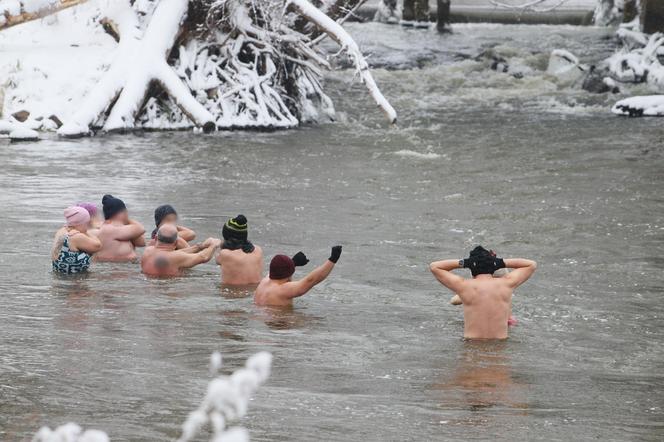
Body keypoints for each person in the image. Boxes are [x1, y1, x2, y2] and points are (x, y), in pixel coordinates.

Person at [429, 246, 537, 340]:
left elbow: (435, 266)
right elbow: (531, 264)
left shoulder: (464, 286)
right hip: (499, 347)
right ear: (494, 266)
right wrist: (499, 262)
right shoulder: (506, 284)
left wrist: (466, 262)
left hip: (472, 346)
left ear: (471, 267)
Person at [254, 246, 342, 307]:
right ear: (288, 274)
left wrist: (293, 263)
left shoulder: (264, 282)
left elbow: (278, 269)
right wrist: (332, 259)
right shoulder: (282, 290)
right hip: (278, 323)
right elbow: (311, 280)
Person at [141, 224, 222, 277]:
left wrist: (201, 246)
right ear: (176, 242)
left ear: (155, 238)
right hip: (169, 290)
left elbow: (175, 254)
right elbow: (203, 257)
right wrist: (213, 245)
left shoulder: (147, 250)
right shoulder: (176, 257)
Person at [95, 194, 146, 262]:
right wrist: (127, 219)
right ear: (122, 212)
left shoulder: (121, 229)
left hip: (124, 266)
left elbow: (141, 243)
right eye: (125, 211)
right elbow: (141, 228)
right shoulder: (109, 229)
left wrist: (125, 221)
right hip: (113, 268)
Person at [51, 206, 102, 274]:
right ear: (80, 223)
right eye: (87, 223)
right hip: (75, 280)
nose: (88, 226)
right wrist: (86, 233)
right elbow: (98, 246)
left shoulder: (61, 231)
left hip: (58, 277)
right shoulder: (76, 237)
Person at [215, 215, 264, 285]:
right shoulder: (258, 250)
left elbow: (216, 260)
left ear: (225, 235)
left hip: (232, 294)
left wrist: (216, 245)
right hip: (255, 291)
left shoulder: (224, 254)